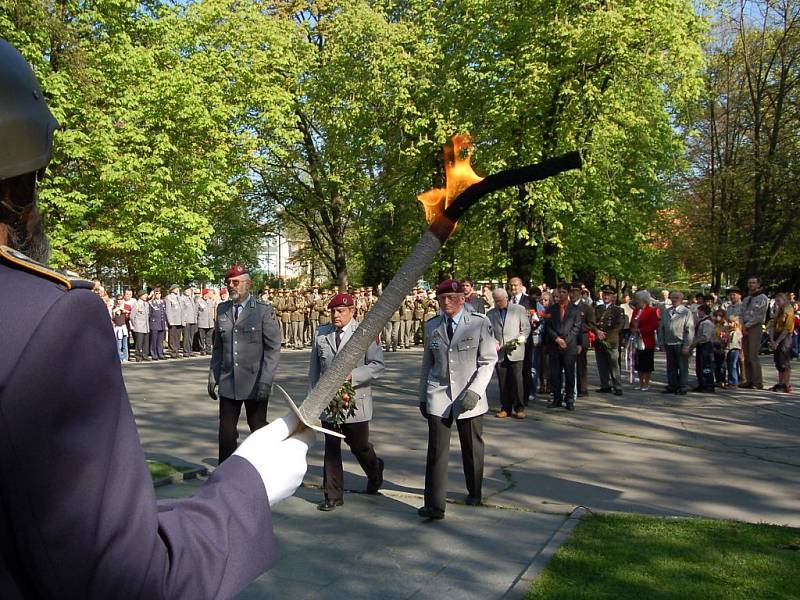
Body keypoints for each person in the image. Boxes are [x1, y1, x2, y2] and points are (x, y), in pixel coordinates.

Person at [0, 40, 311, 599]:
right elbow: (128, 581)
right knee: (236, 450)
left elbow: (270, 346)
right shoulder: (49, 320)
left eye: (239, 280)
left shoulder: (261, 309)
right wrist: (248, 488)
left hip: (253, 386)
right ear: (23, 180)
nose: (235, 286)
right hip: (228, 389)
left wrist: (260, 385)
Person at [417, 279, 496, 519]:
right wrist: (423, 395)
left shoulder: (479, 323)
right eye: (442, 298)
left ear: (463, 298)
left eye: (452, 297)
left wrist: (476, 391)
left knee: (471, 446)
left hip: (469, 393)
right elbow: (427, 363)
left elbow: (488, 360)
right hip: (439, 393)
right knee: (436, 450)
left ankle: (474, 490)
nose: (446, 302)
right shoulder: (432, 325)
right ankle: (434, 504)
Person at [309, 293, 385, 511]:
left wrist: (354, 375)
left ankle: (374, 469)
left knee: (359, 446)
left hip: (354, 402)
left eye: (341, 311)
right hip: (328, 402)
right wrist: (312, 401)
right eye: (333, 311)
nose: (336, 315)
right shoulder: (322, 334)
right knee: (331, 448)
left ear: (352, 311)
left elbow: (377, 365)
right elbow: (314, 370)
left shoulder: (364, 334)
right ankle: (332, 495)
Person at [209, 264, 283, 463]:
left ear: (248, 284)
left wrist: (266, 381)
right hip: (228, 381)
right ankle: (224, 474)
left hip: (255, 382)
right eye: (229, 283)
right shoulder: (222, 309)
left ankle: (265, 468)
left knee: (258, 428)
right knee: (226, 432)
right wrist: (213, 375)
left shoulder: (262, 311)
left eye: (236, 282)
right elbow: (218, 347)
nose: (231, 286)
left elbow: (273, 349)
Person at [486, 287, 531, 419]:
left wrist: (521, 339)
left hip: (516, 351)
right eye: (495, 301)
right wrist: (493, 342)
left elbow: (526, 328)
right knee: (503, 381)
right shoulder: (491, 314)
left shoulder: (519, 310)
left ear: (506, 298)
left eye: (500, 300)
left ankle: (519, 407)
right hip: (500, 352)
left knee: (517, 380)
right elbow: (488, 332)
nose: (498, 303)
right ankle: (505, 407)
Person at [545, 282, 583, 410]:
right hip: (555, 345)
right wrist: (557, 339)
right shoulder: (551, 309)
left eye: (563, 292)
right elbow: (548, 326)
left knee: (569, 373)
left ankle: (569, 399)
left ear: (568, 293)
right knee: (555, 374)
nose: (561, 295)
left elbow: (577, 326)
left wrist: (566, 340)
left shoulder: (575, 309)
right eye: (559, 292)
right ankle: (556, 398)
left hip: (569, 346)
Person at [659, 291, 694, 395]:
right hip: (669, 343)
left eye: (677, 298)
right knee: (671, 366)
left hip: (681, 343)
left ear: (681, 300)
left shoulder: (686, 312)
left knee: (682, 366)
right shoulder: (666, 311)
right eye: (673, 298)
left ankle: (683, 386)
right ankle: (672, 386)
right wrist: (661, 342)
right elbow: (661, 328)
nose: (674, 300)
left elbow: (690, 330)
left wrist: (687, 345)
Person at [593, 285, 625, 395]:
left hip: (611, 341)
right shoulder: (597, 309)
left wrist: (606, 337)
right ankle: (605, 385)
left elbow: (619, 326)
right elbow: (592, 323)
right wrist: (597, 332)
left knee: (614, 365)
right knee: (601, 364)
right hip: (598, 340)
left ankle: (617, 386)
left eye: (608, 294)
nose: (606, 296)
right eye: (604, 294)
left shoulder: (618, 310)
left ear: (613, 296)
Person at [740, 277, 769, 390]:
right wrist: (742, 325)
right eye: (749, 282)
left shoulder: (763, 298)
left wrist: (747, 325)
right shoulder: (746, 299)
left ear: (758, 284)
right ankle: (749, 380)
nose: (751, 285)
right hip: (744, 327)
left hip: (755, 327)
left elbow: (759, 316)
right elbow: (741, 313)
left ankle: (757, 381)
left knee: (753, 355)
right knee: (746, 355)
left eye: (753, 283)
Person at [630, 290, 659, 391]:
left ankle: (646, 383)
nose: (636, 301)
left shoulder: (651, 310)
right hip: (637, 340)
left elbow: (654, 325)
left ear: (643, 300)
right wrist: (633, 329)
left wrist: (641, 330)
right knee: (638, 362)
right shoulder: (636, 310)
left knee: (647, 362)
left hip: (647, 340)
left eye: (638, 299)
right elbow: (632, 322)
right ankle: (640, 382)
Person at [570, 281, 596, 398]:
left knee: (581, 365)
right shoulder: (567, 306)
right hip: (569, 339)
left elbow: (591, 324)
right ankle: (571, 387)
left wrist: (577, 327)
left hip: (581, 339)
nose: (573, 294)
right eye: (571, 291)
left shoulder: (586, 307)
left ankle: (582, 388)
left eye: (575, 291)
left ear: (580, 293)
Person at [768, 293, 794, 393]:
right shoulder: (777, 311)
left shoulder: (788, 311)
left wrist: (777, 341)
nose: (777, 303)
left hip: (784, 337)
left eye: (779, 301)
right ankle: (780, 383)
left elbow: (787, 328)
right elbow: (771, 325)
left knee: (784, 362)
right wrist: (772, 340)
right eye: (776, 301)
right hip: (776, 335)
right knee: (778, 361)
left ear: (784, 300)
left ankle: (786, 384)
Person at [689, 304, 716, 393]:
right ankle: (702, 384)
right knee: (700, 366)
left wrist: (695, 343)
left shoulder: (707, 322)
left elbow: (705, 337)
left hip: (706, 346)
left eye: (699, 311)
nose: (698, 313)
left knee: (706, 366)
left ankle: (708, 385)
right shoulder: (702, 321)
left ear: (704, 311)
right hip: (701, 346)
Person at [130, 289, 151, 362]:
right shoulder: (137, 304)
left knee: (146, 342)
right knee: (139, 343)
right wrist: (134, 325)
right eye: (144, 295)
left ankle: (145, 355)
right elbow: (132, 316)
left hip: (146, 326)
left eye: (146, 295)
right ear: (140, 296)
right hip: (139, 327)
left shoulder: (146, 304)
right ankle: (138, 356)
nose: (146, 296)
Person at [148, 288, 167, 360]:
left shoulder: (162, 302)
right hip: (154, 323)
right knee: (154, 340)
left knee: (160, 341)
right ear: (154, 294)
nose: (158, 295)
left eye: (159, 293)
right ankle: (154, 354)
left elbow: (164, 313)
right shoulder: (151, 303)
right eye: (156, 293)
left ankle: (160, 353)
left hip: (161, 323)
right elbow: (149, 314)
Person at [165, 283, 183, 358]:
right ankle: (172, 351)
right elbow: (168, 310)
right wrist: (170, 320)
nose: (177, 290)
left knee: (178, 336)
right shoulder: (168, 298)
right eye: (176, 288)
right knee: (172, 336)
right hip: (173, 320)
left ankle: (176, 350)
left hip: (179, 320)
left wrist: (183, 320)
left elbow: (182, 310)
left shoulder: (179, 297)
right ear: (172, 289)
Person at [181, 284, 198, 357]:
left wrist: (195, 319)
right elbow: (182, 310)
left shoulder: (191, 299)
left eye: (190, 290)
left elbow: (194, 310)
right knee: (186, 337)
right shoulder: (182, 299)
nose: (189, 291)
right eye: (187, 290)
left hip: (192, 320)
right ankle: (185, 351)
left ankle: (190, 350)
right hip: (186, 320)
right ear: (184, 291)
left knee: (191, 336)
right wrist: (183, 320)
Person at [196, 288, 215, 355]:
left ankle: (208, 350)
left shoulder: (210, 301)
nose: (206, 295)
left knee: (209, 337)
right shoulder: (199, 301)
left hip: (210, 323)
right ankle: (202, 350)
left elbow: (212, 311)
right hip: (202, 322)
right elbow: (196, 312)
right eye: (205, 294)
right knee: (201, 338)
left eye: (207, 294)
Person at [726, 316, 743, 387]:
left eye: (731, 322)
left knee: (733, 365)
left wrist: (726, 349)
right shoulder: (731, 331)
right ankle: (731, 380)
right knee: (730, 365)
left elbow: (733, 343)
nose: (729, 324)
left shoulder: (736, 331)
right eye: (729, 322)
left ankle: (734, 381)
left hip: (734, 349)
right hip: (731, 349)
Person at [111, 295, 130, 362]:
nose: (120, 301)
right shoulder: (114, 308)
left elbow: (128, 313)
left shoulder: (125, 308)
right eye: (118, 299)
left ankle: (125, 357)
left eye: (121, 299)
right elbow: (112, 317)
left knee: (125, 344)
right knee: (119, 345)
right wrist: (115, 310)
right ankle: (120, 357)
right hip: (118, 328)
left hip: (124, 327)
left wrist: (123, 310)